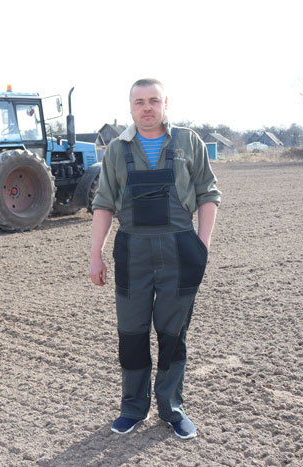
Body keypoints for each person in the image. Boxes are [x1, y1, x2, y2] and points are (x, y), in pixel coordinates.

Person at [89, 78, 221, 439]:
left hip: (181, 251)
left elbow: (208, 194)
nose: (146, 108)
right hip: (132, 252)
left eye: (153, 101)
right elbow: (103, 204)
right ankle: (132, 409)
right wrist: (96, 254)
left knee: (172, 334)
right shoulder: (117, 149)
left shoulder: (188, 142)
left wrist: (202, 245)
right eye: (139, 102)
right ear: (130, 107)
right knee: (131, 335)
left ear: (165, 104)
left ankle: (172, 410)